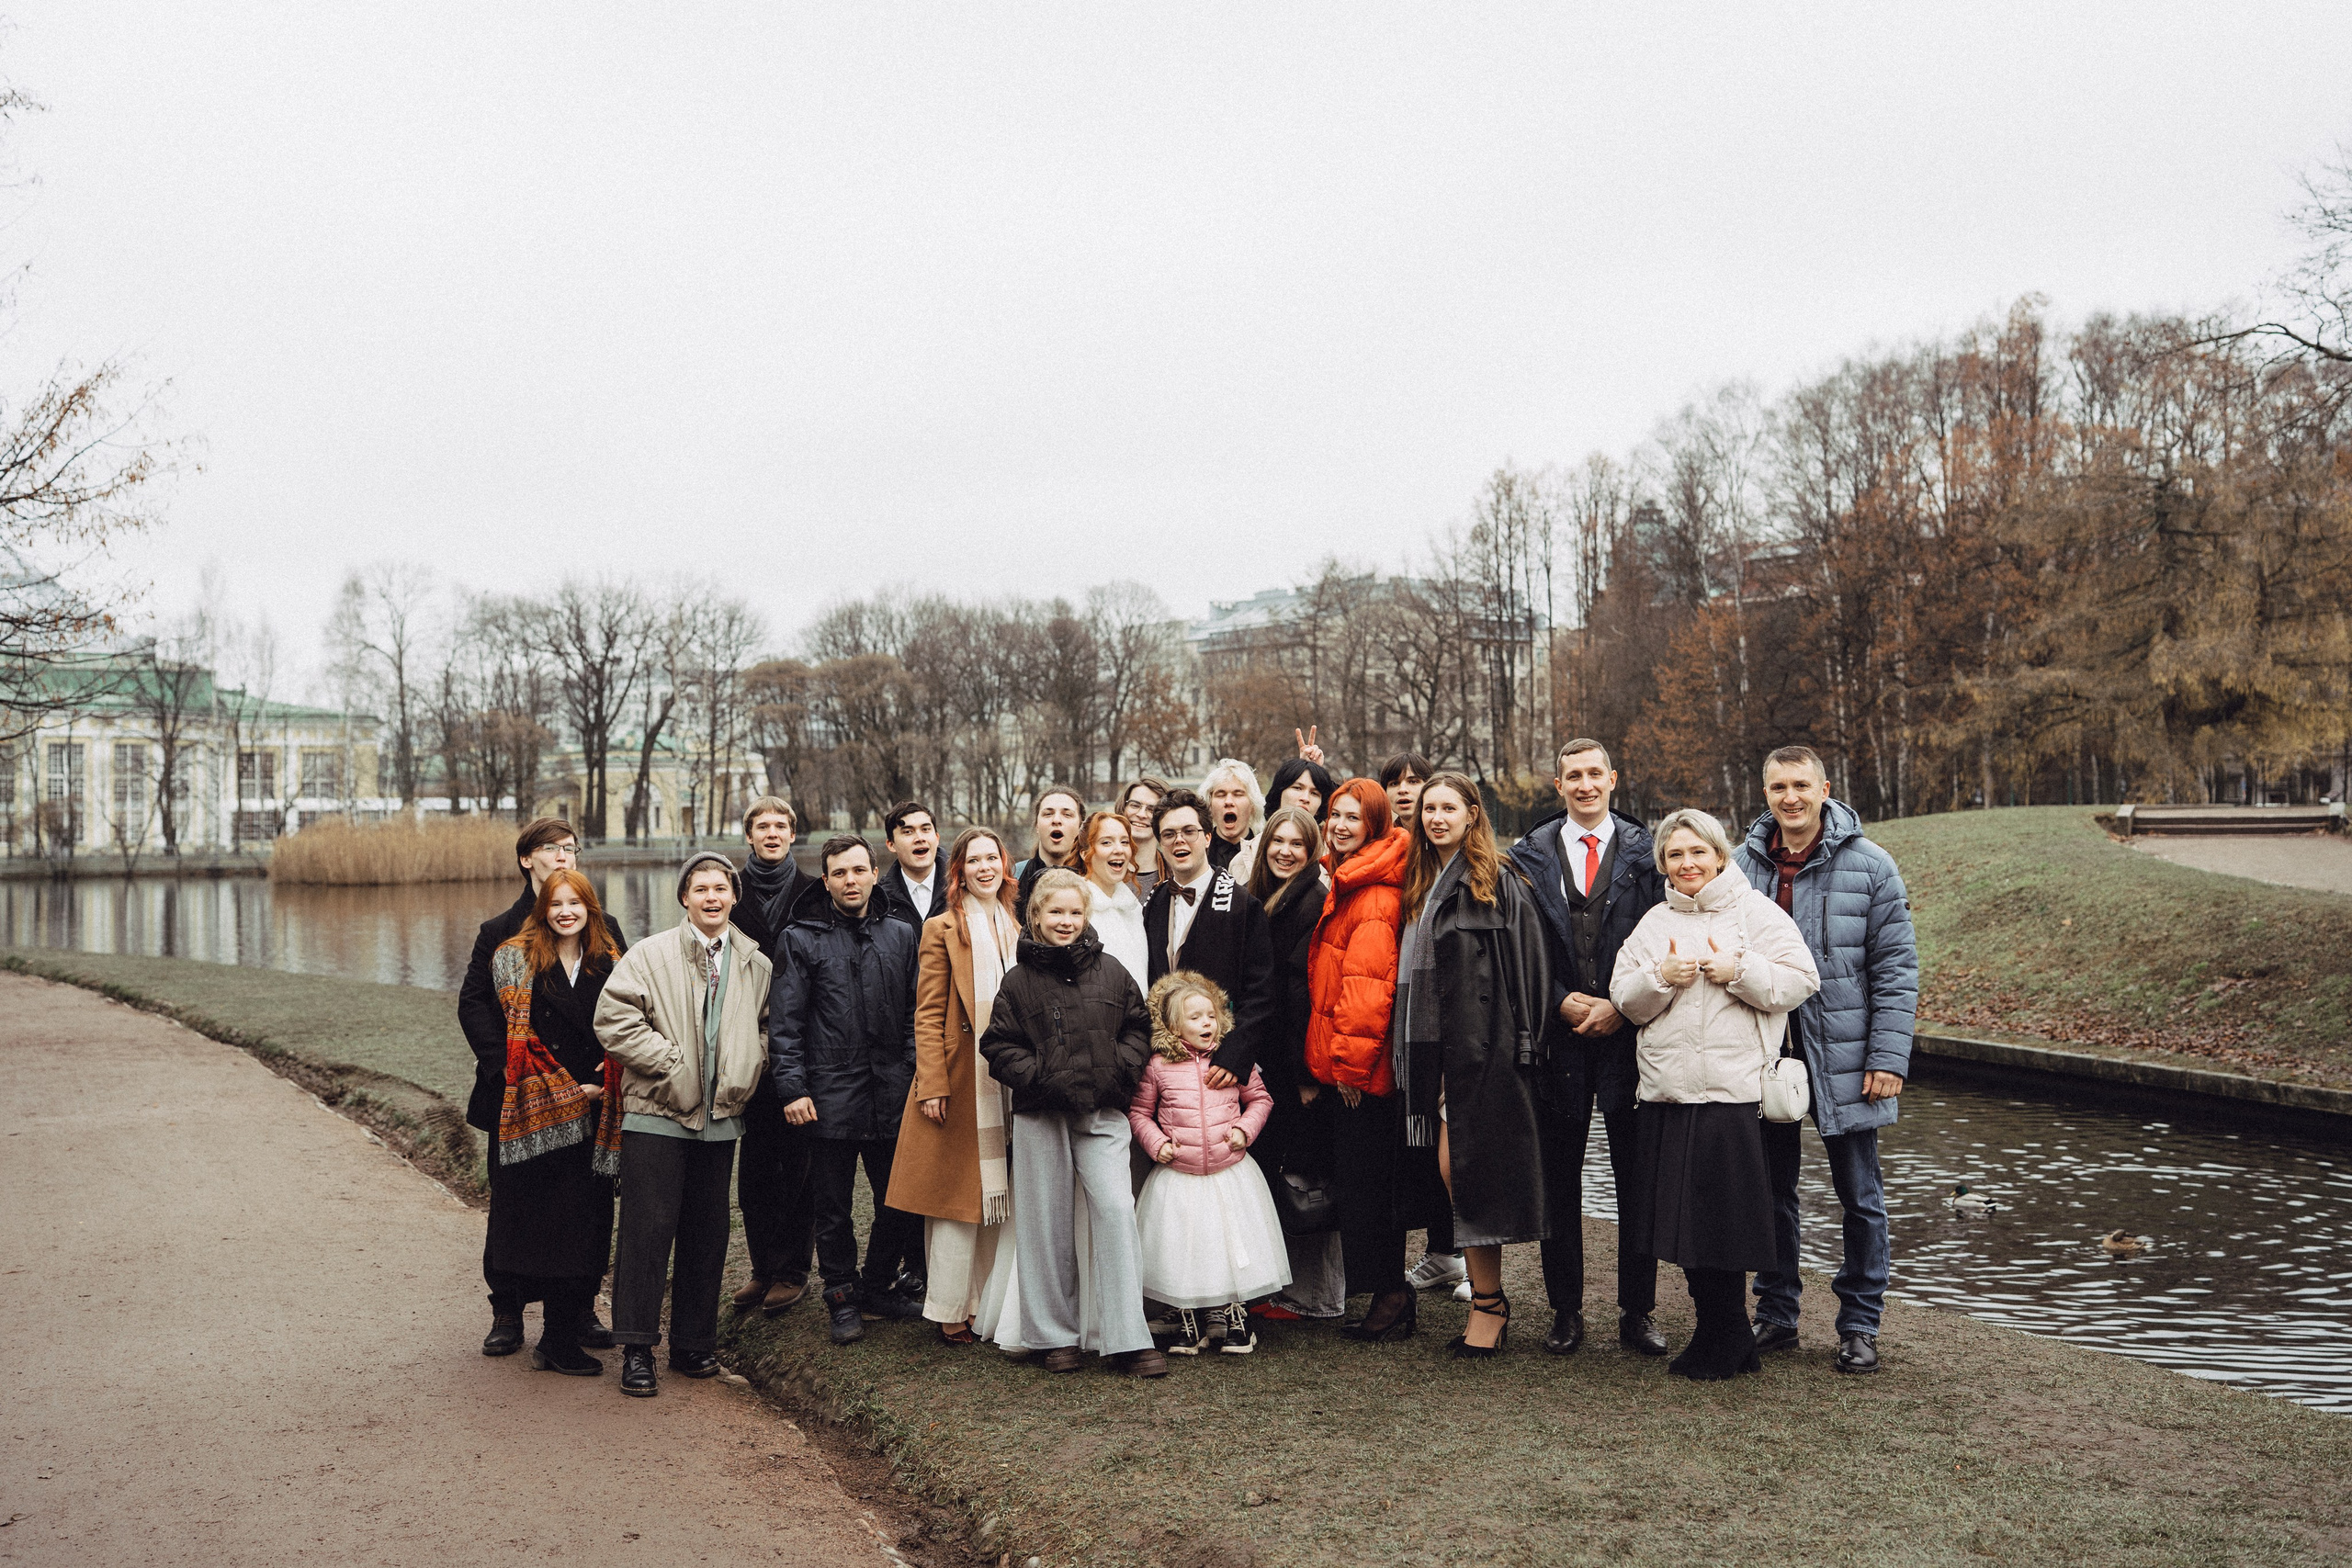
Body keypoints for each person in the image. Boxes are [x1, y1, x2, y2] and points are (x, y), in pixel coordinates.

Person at [1611, 808, 1821, 1381]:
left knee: (1725, 1223)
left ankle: (1724, 1333)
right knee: (1683, 1222)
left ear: (1720, 855)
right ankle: (1722, 1332)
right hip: (1669, 1092)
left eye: (1697, 852)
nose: (1687, 864)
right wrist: (1660, 977)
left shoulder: (1755, 912)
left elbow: (1802, 980)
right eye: (1675, 855)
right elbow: (1623, 997)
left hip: (1735, 1094)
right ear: (1662, 865)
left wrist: (1741, 968)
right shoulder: (1654, 922)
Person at [1733, 744, 1918, 1375]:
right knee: (1772, 1190)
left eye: (1801, 785)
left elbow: (1896, 969)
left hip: (1846, 1052)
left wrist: (1887, 1055)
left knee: (1860, 1195)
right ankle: (1778, 1312)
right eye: (1779, 785)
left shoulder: (1871, 865)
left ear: (1824, 788)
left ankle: (1859, 1323)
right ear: (1766, 792)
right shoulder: (1741, 866)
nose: (1791, 797)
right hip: (1766, 1053)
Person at [1503, 739, 1668, 1358]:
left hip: (1629, 1039)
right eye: (1574, 774)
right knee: (1559, 1181)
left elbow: (1664, 941)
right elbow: (1519, 949)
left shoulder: (1648, 852)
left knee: (1638, 1179)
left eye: (1595, 772)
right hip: (1559, 1039)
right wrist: (1556, 999)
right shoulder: (1527, 857)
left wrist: (1622, 1006)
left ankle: (1638, 1311)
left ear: (1613, 778)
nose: (1585, 783)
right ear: (1559, 783)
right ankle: (1565, 1311)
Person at [594, 852, 774, 1399]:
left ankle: (694, 1345)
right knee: (648, 1232)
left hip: (721, 1121)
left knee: (707, 1233)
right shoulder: (650, 955)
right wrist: (672, 1064)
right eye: (701, 889)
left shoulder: (755, 963)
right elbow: (613, 1018)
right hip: (659, 1116)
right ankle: (637, 1348)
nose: (712, 897)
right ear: (685, 898)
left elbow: (766, 1027)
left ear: (734, 897)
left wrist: (748, 1065)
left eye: (721, 888)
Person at [978, 869, 1166, 1378]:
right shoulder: (1018, 981)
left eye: (1075, 912)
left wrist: (1118, 1070)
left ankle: (1128, 1337)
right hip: (1042, 1111)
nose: (1066, 921)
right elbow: (996, 1045)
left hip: (1102, 1109)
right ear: (1036, 916)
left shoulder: (1111, 970)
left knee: (1115, 1211)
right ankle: (1054, 1336)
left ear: (1087, 917)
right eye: (1055, 912)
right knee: (1045, 1221)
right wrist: (1038, 1076)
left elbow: (1138, 1027)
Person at [1393, 772, 1552, 1358]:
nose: (1436, 818)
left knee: (1467, 1173)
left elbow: (1529, 968)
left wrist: (1527, 1047)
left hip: (1486, 1051)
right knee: (1456, 1173)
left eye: (1448, 808)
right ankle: (1488, 1299)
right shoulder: (1419, 880)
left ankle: (1489, 1305)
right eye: (1428, 809)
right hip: (1436, 1054)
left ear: (1471, 814)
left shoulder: (1499, 881)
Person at [458, 816, 627, 1357]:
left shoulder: (605, 930)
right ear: (526, 858)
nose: (562, 856)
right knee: (517, 1204)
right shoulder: (500, 932)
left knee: (586, 1205)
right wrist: (509, 1070)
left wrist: (612, 1064)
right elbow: (473, 1005)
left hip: (592, 1094)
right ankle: (507, 1310)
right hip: (520, 1097)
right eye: (551, 848)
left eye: (571, 848)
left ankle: (577, 1308)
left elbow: (626, 1001)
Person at [768, 834, 924, 1346]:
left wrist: (908, 1070)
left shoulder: (901, 934)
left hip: (890, 1090)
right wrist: (792, 1088)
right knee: (832, 1206)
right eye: (839, 873)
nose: (851, 881)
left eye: (859, 870)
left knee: (896, 1200)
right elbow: (786, 1024)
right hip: (828, 1092)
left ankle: (876, 1285)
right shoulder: (800, 937)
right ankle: (840, 1294)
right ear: (826, 879)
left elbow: (912, 1015)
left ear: (875, 872)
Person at [884, 829, 1022, 1345]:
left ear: (1004, 865)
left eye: (993, 858)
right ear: (958, 870)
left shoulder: (1017, 923)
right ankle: (947, 1307)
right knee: (957, 1201)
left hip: (1011, 1080)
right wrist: (932, 1084)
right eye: (974, 860)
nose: (984, 868)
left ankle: (988, 1303)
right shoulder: (941, 928)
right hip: (964, 1078)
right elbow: (927, 1013)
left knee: (1001, 1195)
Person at [1301, 779, 1419, 1341]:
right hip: (1352, 1067)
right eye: (1334, 815)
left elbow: (1369, 989)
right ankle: (1387, 1293)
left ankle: (1391, 1296)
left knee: (1368, 1187)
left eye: (1353, 818)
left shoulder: (1372, 894)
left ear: (1374, 825)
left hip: (1361, 1074)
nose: (1340, 826)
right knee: (1363, 1184)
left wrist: (1347, 1070)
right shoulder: (1352, 878)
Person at [1129, 973, 1289, 1354]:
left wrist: (1244, 1131)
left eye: (1211, 1016)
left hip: (1229, 1171)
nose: (1207, 1023)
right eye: (1195, 1017)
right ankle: (1188, 1315)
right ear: (1172, 1025)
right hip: (1178, 1174)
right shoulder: (1158, 1067)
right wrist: (1157, 1143)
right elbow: (1139, 1112)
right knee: (1183, 1244)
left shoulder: (1233, 1060)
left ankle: (1235, 1315)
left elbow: (1262, 1100)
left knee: (1229, 1240)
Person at [1239, 805, 1343, 1322]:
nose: (1284, 851)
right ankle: (1279, 1285)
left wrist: (1306, 1074)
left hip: (1296, 1062)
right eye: (1276, 841)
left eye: (1296, 845)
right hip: (1270, 1058)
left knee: (1307, 1176)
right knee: (1280, 1171)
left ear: (1311, 852)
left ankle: (1314, 1294)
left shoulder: (1313, 902)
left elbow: (1307, 992)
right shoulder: (1263, 898)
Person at [728, 796, 825, 1320]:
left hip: (802, 1044)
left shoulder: (813, 892)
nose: (771, 834)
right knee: (755, 1167)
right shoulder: (730, 893)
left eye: (780, 826)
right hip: (744, 1049)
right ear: (749, 836)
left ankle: (793, 1271)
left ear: (792, 834)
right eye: (761, 826)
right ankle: (762, 1268)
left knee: (799, 1166)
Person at [1375, 748, 1465, 1297]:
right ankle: (1441, 1252)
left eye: (1417, 783)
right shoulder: (1390, 853)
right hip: (1397, 1021)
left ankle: (1455, 1252)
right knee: (1414, 1150)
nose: (1406, 791)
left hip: (1438, 1024)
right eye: (1397, 783)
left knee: (1448, 1144)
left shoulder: (1449, 860)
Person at [1141, 787, 1276, 1089]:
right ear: (1160, 845)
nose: (1180, 840)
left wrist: (1234, 1056)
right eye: (1169, 834)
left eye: (1189, 831)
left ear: (1207, 837)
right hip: (1166, 1065)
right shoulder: (1154, 903)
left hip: (1220, 1063)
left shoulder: (1243, 905)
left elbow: (1262, 993)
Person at [1077, 810, 1148, 985]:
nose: (1119, 850)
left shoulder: (1134, 909)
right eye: (1106, 842)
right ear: (1085, 854)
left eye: (1124, 842)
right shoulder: (1076, 909)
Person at [1012, 787, 1086, 925]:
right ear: (1037, 826)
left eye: (1067, 814)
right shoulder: (1013, 877)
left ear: (1080, 827)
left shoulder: (1094, 879)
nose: (1056, 820)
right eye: (1048, 814)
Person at [876, 800, 947, 930]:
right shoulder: (880, 900)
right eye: (908, 832)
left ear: (937, 838)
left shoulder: (963, 885)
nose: (919, 838)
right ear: (891, 845)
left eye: (925, 829)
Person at [1201, 758, 1263, 876]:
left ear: (1253, 805)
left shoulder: (1265, 854)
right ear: (1210, 805)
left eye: (1238, 794)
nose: (1228, 801)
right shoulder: (1198, 853)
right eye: (1221, 795)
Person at [1119, 777, 1170, 897]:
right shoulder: (1100, 870)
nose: (1141, 814)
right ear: (1123, 808)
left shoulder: (1175, 874)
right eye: (1135, 805)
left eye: (1152, 809)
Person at [1264, 757, 1336, 825]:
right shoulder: (1260, 837)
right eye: (1297, 788)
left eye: (1314, 793)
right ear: (1279, 794)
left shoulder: (1329, 837)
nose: (1305, 798)